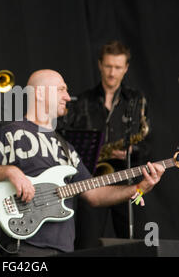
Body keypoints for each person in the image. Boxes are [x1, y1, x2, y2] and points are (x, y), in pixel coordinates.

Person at [0, 69, 163, 256]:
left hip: (64, 248)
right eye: (61, 90)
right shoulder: (9, 133)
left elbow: (93, 194)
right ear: (39, 93)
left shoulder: (66, 148)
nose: (68, 97)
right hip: (24, 246)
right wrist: (10, 172)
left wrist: (137, 189)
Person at [59, 40, 150, 249]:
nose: (112, 73)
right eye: (108, 66)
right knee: (87, 244)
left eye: (118, 67)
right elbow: (66, 139)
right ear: (100, 64)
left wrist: (131, 150)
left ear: (126, 68)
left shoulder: (136, 100)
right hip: (92, 179)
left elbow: (148, 143)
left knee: (134, 244)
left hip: (127, 178)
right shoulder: (82, 101)